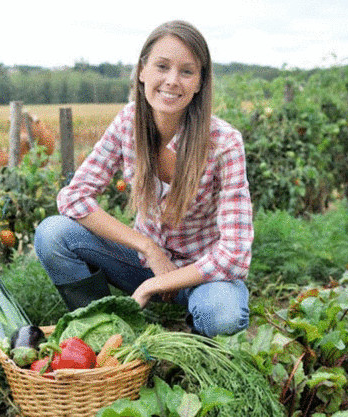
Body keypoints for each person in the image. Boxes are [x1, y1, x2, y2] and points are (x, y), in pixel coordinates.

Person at [34, 20, 253, 337]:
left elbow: (234, 256)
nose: (172, 81)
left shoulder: (224, 143)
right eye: (162, 66)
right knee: (53, 234)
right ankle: (107, 331)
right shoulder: (128, 122)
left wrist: (157, 283)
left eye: (187, 72)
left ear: (200, 82)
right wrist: (148, 248)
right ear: (142, 71)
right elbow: (73, 197)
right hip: (139, 263)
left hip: (202, 275)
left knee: (221, 316)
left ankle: (195, 335)